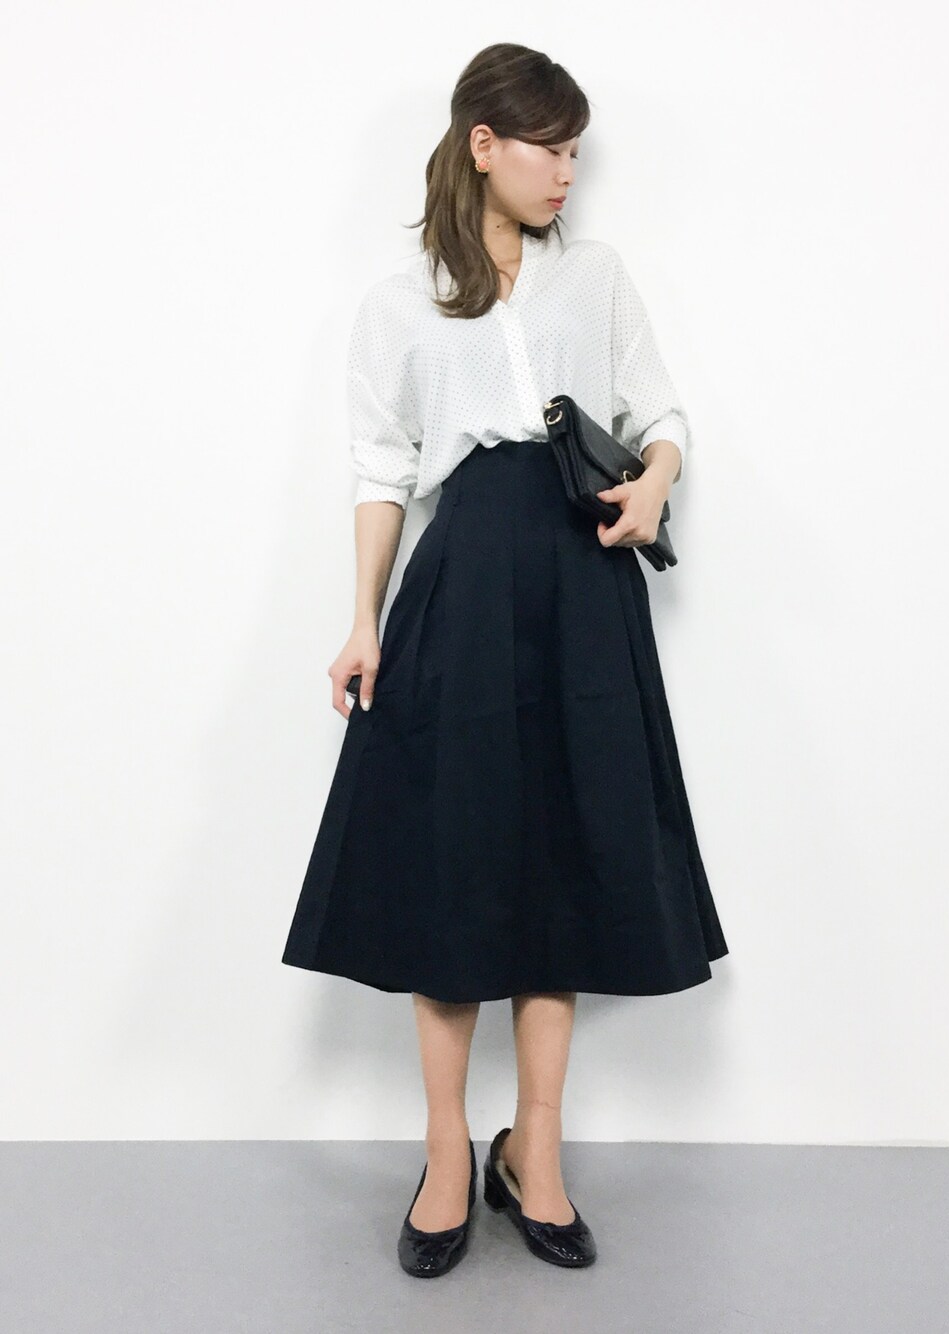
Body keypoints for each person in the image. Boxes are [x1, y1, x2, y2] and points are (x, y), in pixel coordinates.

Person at [281, 42, 729, 1276]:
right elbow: (382, 469)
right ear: (483, 144)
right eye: (551, 148)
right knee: (458, 860)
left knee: (564, 857)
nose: (568, 172)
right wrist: (363, 618)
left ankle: (536, 1149)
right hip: (464, 585)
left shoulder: (596, 277)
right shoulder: (401, 301)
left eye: (578, 151)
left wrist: (656, 480)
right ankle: (444, 1154)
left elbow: (659, 412)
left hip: (585, 585)